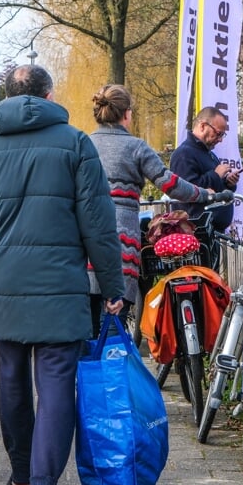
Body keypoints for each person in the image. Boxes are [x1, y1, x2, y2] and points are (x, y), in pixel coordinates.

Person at [0, 65, 124, 485]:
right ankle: (44, 481)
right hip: (60, 287)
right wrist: (114, 285)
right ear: (48, 95)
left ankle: (21, 477)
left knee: (11, 374)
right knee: (58, 381)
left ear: (7, 95)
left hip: (1, 285)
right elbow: (98, 224)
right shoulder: (75, 143)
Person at [87, 84, 214, 335]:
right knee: (113, 328)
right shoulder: (136, 147)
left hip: (86, 241)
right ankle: (112, 371)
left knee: (87, 330)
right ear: (127, 114)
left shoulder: (83, 144)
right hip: (121, 239)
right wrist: (203, 193)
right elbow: (169, 183)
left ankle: (86, 373)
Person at [169, 107, 239, 233]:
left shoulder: (208, 153)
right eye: (218, 134)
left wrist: (228, 183)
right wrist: (216, 175)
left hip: (211, 231)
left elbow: (215, 187)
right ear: (202, 126)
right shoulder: (183, 154)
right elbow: (186, 191)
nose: (220, 139)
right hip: (196, 232)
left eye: (223, 135)